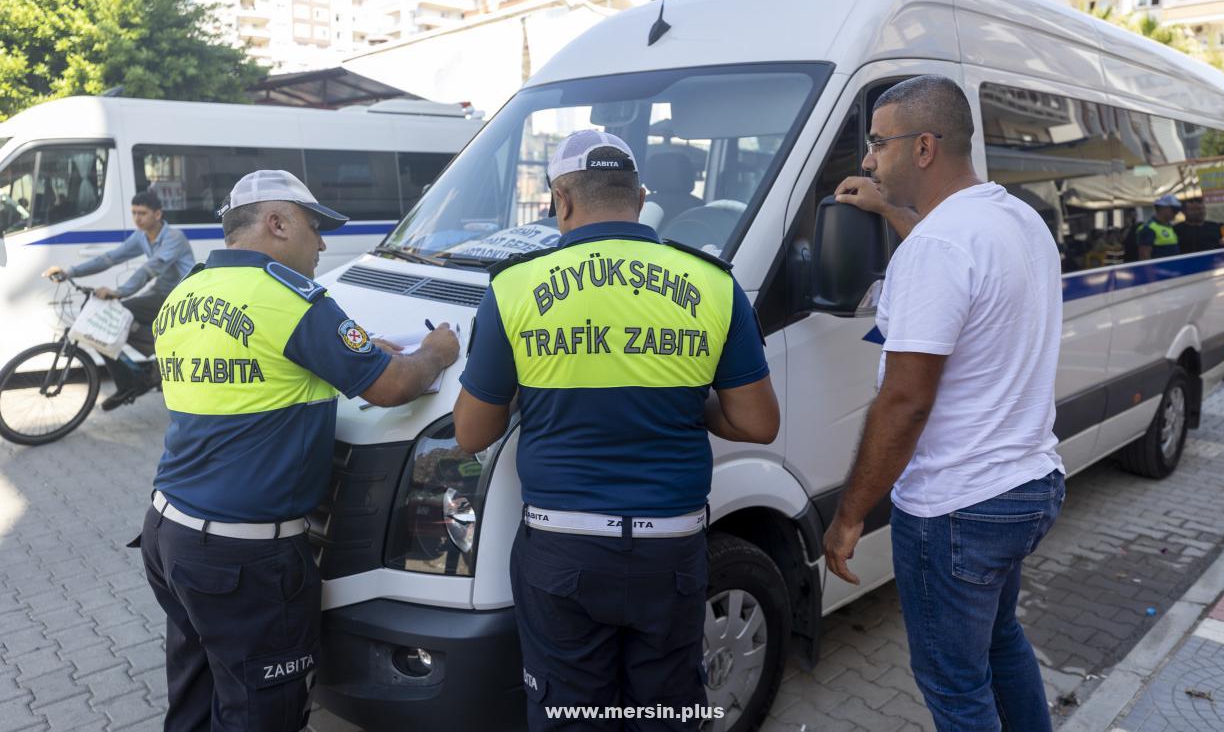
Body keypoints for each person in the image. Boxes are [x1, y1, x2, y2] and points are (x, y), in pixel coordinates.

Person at [453, 130, 779, 731]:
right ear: (640, 197)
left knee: (571, 715)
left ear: (561, 200)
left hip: (563, 549)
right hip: (671, 552)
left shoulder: (515, 289)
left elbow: (472, 434)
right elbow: (758, 423)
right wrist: (686, 401)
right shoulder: (711, 283)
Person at [138, 170, 460, 732]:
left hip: (170, 535)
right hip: (244, 562)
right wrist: (435, 350)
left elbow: (255, 375)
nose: (323, 245)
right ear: (277, 223)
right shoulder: (290, 297)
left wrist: (355, 354)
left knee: (193, 695)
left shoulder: (187, 292)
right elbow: (391, 387)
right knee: (262, 715)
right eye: (315, 228)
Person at [824, 75, 1065, 732]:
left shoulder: (936, 249)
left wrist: (848, 515)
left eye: (878, 142)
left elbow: (903, 402)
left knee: (955, 688)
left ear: (923, 146)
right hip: (1025, 483)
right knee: (998, 641)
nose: (868, 158)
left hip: (956, 507)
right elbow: (952, 256)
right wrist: (889, 210)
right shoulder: (1013, 218)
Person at [44, 191, 194, 410]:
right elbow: (110, 258)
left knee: (119, 313)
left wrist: (120, 292)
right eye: (134, 213)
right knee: (111, 320)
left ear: (158, 214)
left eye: (142, 213)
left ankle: (162, 360)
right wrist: (69, 272)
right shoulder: (141, 237)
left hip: (183, 294)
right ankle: (135, 380)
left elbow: (150, 269)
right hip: (161, 293)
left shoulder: (174, 237)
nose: (137, 218)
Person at [1135, 194, 1182, 261]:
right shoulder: (1149, 229)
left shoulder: (1169, 226)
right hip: (1159, 270)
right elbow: (1144, 257)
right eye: (1174, 210)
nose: (1176, 213)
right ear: (1162, 208)